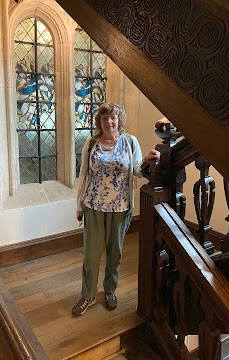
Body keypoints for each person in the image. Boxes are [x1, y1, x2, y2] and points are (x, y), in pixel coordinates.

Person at [72, 102, 160, 316]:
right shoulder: (91, 143)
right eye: (104, 118)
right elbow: (84, 174)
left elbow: (138, 171)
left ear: (119, 120)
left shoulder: (130, 142)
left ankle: (110, 290)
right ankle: (88, 295)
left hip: (120, 207)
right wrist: (79, 205)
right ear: (99, 121)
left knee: (115, 252)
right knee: (91, 254)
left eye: (113, 117)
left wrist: (147, 160)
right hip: (93, 205)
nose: (109, 122)